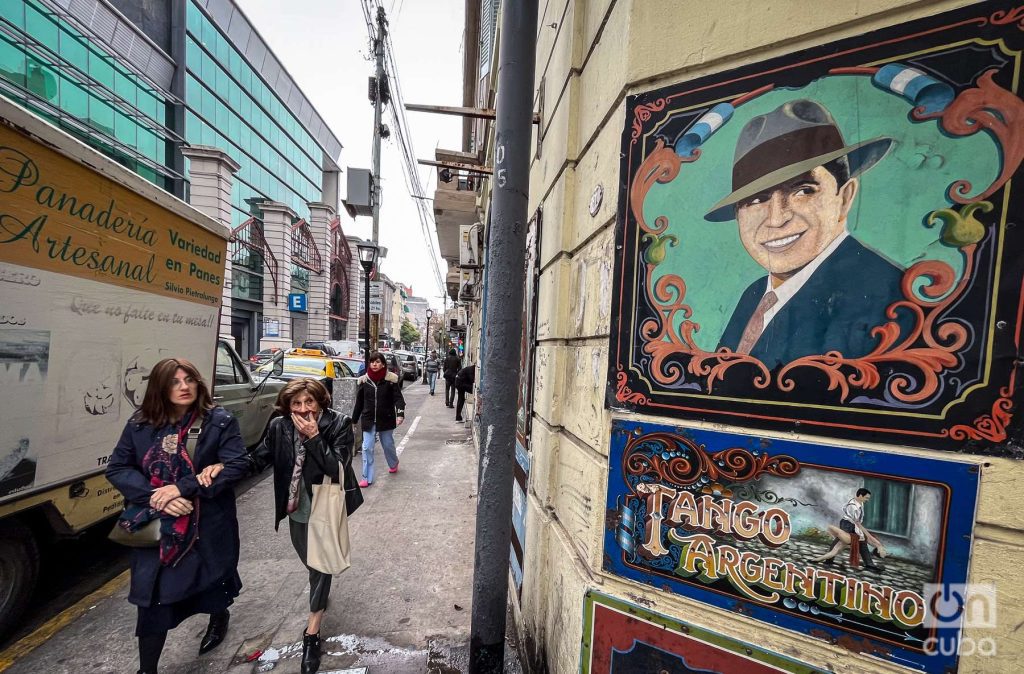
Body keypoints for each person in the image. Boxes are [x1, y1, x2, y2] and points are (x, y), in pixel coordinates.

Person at [706, 99, 912, 368]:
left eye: (802, 190)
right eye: (756, 200)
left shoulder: (889, 298)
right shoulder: (755, 294)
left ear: (845, 197)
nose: (777, 218)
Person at [105, 358, 248, 674]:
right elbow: (118, 468)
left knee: (214, 580)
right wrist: (159, 498)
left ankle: (219, 615)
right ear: (160, 386)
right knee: (153, 597)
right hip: (159, 528)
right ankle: (147, 669)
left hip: (206, 525)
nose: (184, 387)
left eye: (190, 380)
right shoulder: (141, 424)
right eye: (175, 381)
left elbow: (237, 464)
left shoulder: (218, 422)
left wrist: (183, 488)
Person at [247, 378, 359, 674]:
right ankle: (320, 593)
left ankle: (312, 632)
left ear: (322, 402)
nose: (303, 409)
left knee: (320, 565)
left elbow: (338, 467)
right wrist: (219, 469)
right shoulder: (279, 426)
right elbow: (258, 458)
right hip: (296, 507)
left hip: (326, 502)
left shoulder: (339, 424)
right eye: (296, 404)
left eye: (310, 402)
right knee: (311, 563)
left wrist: (313, 438)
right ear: (287, 406)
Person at [352, 352, 406, 486]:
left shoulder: (391, 380)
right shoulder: (364, 381)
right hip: (368, 419)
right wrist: (354, 420)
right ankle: (366, 477)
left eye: (377, 362)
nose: (374, 364)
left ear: (383, 364)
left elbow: (398, 399)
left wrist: (400, 414)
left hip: (386, 418)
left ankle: (394, 463)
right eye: (372, 362)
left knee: (387, 444)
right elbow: (359, 402)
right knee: (367, 447)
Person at [810, 487, 887, 571]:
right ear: (860, 495)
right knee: (841, 541)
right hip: (847, 524)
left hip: (853, 524)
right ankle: (828, 559)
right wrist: (863, 534)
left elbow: (858, 522)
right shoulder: (853, 507)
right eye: (866, 498)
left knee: (860, 542)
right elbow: (857, 523)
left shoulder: (860, 503)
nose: (867, 500)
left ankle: (869, 564)